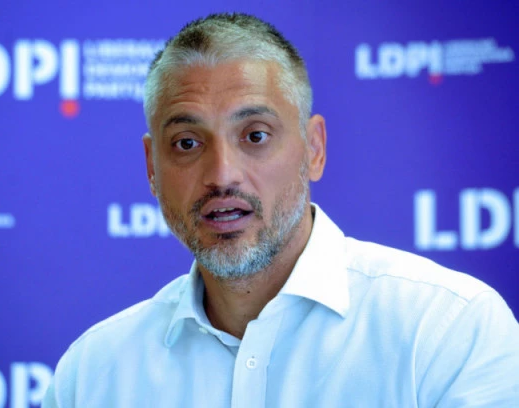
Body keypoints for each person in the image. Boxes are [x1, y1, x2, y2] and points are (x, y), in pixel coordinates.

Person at [43, 13, 519, 407]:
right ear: (152, 168)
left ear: (314, 149)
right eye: (187, 143)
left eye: (255, 135)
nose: (222, 174)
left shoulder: (446, 330)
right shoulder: (92, 375)